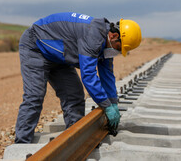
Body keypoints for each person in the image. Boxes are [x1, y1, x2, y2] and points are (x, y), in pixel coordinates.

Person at [15, 12, 142, 143]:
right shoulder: (93, 36)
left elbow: (107, 75)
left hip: (59, 56)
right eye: (118, 48)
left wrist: (113, 102)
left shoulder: (106, 43)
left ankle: (73, 139)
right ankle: (21, 143)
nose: (117, 52)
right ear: (114, 35)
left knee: (74, 95)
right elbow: (88, 76)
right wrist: (106, 106)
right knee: (34, 96)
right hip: (36, 47)